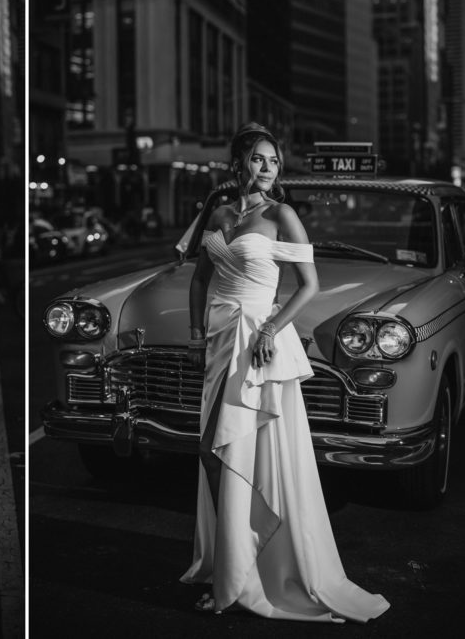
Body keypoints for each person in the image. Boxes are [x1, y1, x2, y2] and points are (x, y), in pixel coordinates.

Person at [179, 124, 389, 623]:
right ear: (238, 164)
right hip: (217, 342)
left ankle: (240, 578)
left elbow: (309, 285)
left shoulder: (282, 214)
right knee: (214, 454)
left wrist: (273, 327)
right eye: (258, 158)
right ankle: (231, 561)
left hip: (257, 342)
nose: (268, 167)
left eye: (273, 160)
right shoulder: (220, 212)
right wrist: (194, 335)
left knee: (236, 450)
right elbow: (200, 278)